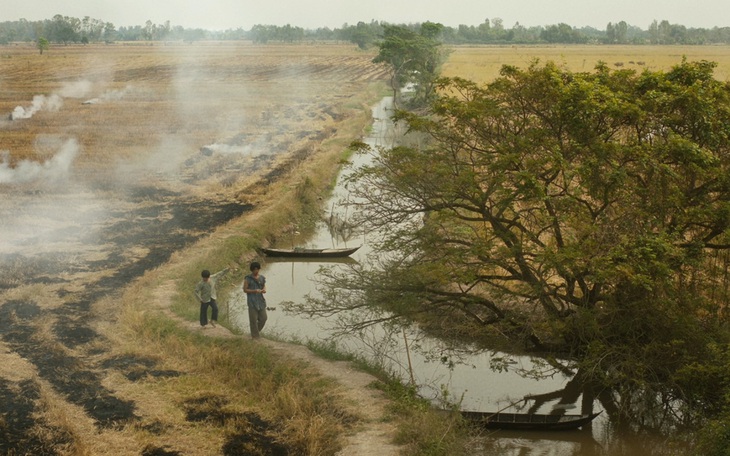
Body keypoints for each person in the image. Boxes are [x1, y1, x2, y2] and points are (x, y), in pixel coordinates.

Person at [243, 261, 267, 338]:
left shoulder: (262, 278)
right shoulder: (248, 279)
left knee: (263, 318)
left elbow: (264, 286)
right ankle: (255, 337)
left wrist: (264, 290)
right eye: (254, 270)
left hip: (261, 301)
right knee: (253, 320)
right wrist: (254, 291)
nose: (256, 271)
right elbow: (245, 290)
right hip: (252, 302)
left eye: (257, 269)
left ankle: (255, 333)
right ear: (252, 270)